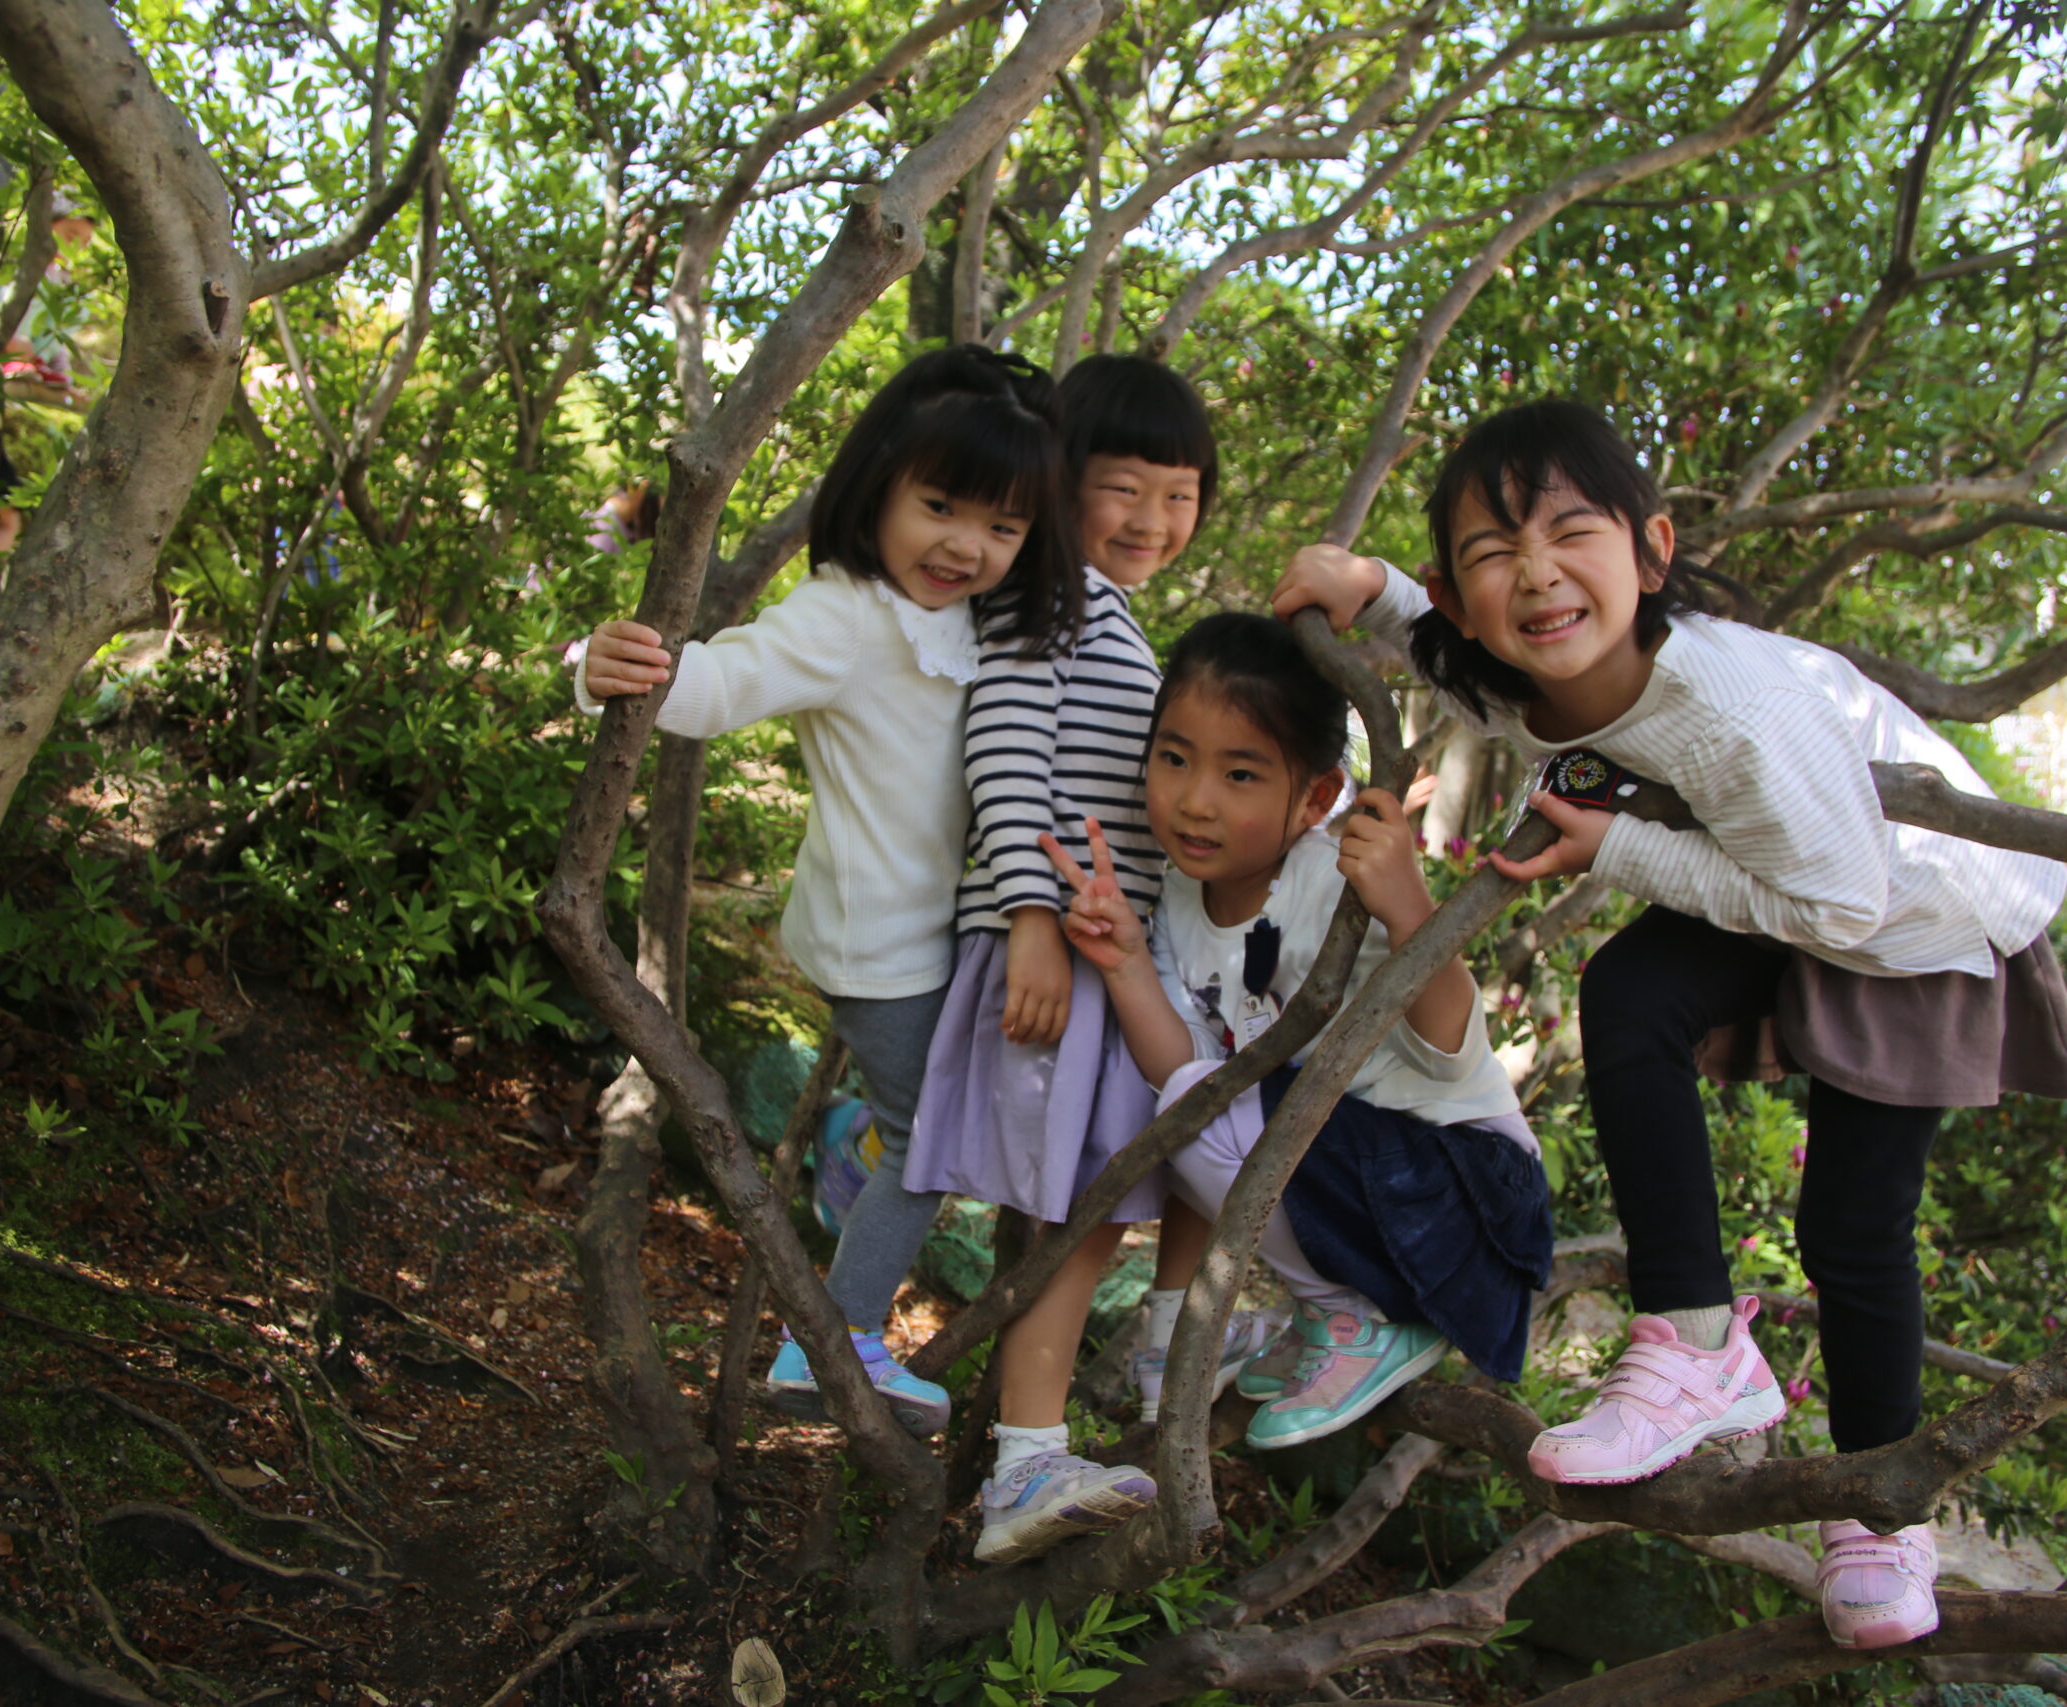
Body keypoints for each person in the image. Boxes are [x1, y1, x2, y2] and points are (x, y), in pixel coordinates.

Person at [1273, 398, 2067, 1652]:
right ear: (1458, 594)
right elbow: (1446, 651)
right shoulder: (1521, 660)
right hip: (1778, 878)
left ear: (1651, 550)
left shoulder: (1733, 714)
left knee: (1852, 1226)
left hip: (1911, 911)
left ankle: (1881, 1513)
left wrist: (1620, 848)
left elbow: (1838, 905)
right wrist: (1368, 587)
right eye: (1493, 553)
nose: (1535, 575)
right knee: (1630, 994)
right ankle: (1695, 1344)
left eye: (1570, 534)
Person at [575, 344, 1082, 1437]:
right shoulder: (846, 611)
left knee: (929, 1121)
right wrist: (609, 664)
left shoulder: (976, 620)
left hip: (933, 934)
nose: (965, 546)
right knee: (933, 1138)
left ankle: (853, 1152)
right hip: (876, 941)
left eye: (1002, 527)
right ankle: (833, 1342)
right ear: (877, 487)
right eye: (939, 507)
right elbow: (724, 680)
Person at [900, 357, 1281, 1565]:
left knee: (1150, 1157)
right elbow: (1007, 756)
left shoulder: (1103, 611)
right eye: (1124, 489)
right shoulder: (1046, 603)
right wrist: (1029, 916)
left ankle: (1170, 1337)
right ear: (1057, 482)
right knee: (1080, 1205)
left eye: (1180, 497)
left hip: (1101, 952)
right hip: (1052, 951)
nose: (1153, 520)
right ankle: (1025, 1460)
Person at [1043, 614, 1552, 1462]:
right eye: (1174, 758)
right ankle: (1338, 1314)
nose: (1195, 799)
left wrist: (1408, 907)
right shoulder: (1177, 896)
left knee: (1216, 1103)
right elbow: (1185, 1078)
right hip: (1359, 1188)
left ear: (1316, 798)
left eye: (1240, 773)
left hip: (1462, 1194)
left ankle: (1356, 1320)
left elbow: (1451, 1043)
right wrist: (1127, 960)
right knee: (1190, 1098)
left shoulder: (1328, 881)